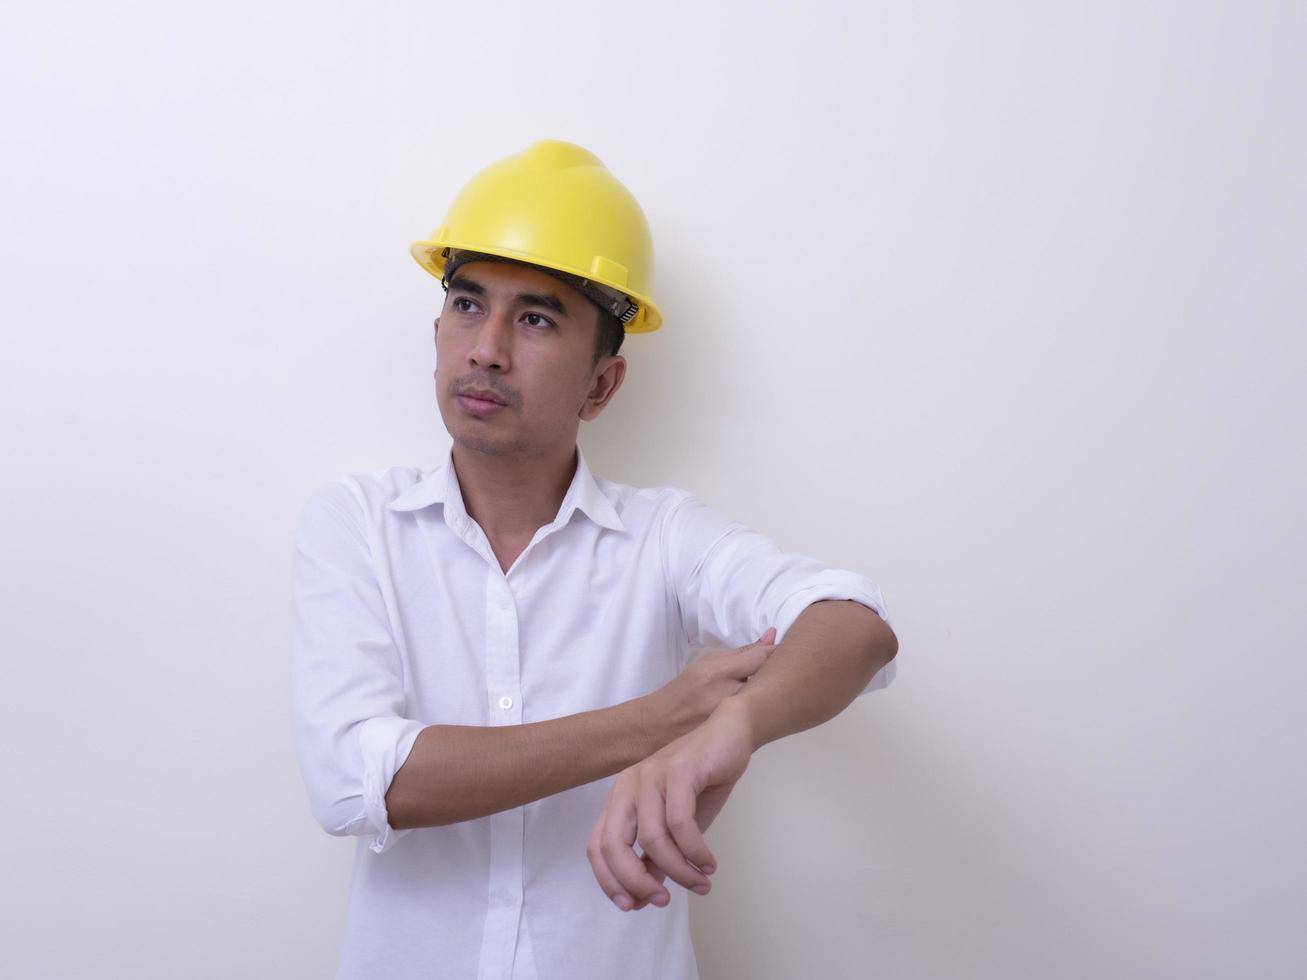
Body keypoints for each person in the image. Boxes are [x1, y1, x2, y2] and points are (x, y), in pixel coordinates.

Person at [289, 139, 899, 980]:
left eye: (535, 319)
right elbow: (361, 781)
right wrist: (654, 722)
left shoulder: (664, 539)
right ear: (438, 332)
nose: (487, 349)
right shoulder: (357, 524)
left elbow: (852, 628)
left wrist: (731, 729)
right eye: (467, 306)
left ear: (601, 386)